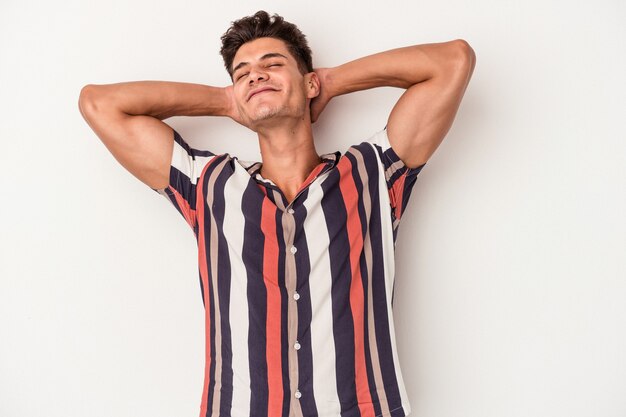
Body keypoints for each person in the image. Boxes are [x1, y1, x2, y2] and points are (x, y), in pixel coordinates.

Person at [78, 10, 475, 417]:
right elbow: (99, 104)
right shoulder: (209, 186)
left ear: (308, 82)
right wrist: (223, 101)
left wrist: (330, 82)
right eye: (242, 73)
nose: (255, 76)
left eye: (273, 64)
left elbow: (453, 61)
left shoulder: (372, 172)